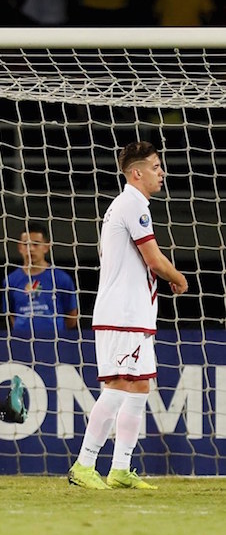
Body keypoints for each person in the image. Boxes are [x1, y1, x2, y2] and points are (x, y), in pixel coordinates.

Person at [68, 141, 187, 490]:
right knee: (120, 384)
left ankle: (120, 468)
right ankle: (84, 463)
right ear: (136, 173)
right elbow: (153, 259)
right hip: (122, 314)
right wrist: (178, 278)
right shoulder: (132, 204)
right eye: (155, 167)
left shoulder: (127, 205)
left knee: (139, 386)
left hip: (134, 313)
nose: (161, 172)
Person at [2, 221, 79, 335]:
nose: (31, 249)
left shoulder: (61, 279)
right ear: (20, 247)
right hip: (22, 343)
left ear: (46, 247)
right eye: (26, 244)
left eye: (36, 244)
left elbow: (72, 318)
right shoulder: (10, 281)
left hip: (55, 343)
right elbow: (10, 314)